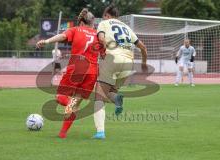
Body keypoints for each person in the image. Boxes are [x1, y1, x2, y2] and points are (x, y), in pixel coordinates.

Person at [36, 8, 104, 139]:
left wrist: (47, 41)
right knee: (74, 104)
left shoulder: (76, 29)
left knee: (60, 97)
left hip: (77, 67)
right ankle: (62, 133)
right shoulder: (97, 34)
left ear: (82, 22)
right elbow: (104, 52)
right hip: (92, 72)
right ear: (92, 22)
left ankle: (67, 112)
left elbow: (62, 36)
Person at [93, 4, 147, 139]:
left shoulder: (103, 23)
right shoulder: (127, 27)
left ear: (106, 15)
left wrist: (103, 52)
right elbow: (143, 47)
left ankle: (100, 132)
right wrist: (144, 63)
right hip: (128, 63)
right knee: (110, 92)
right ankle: (117, 99)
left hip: (112, 58)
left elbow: (101, 39)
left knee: (99, 96)